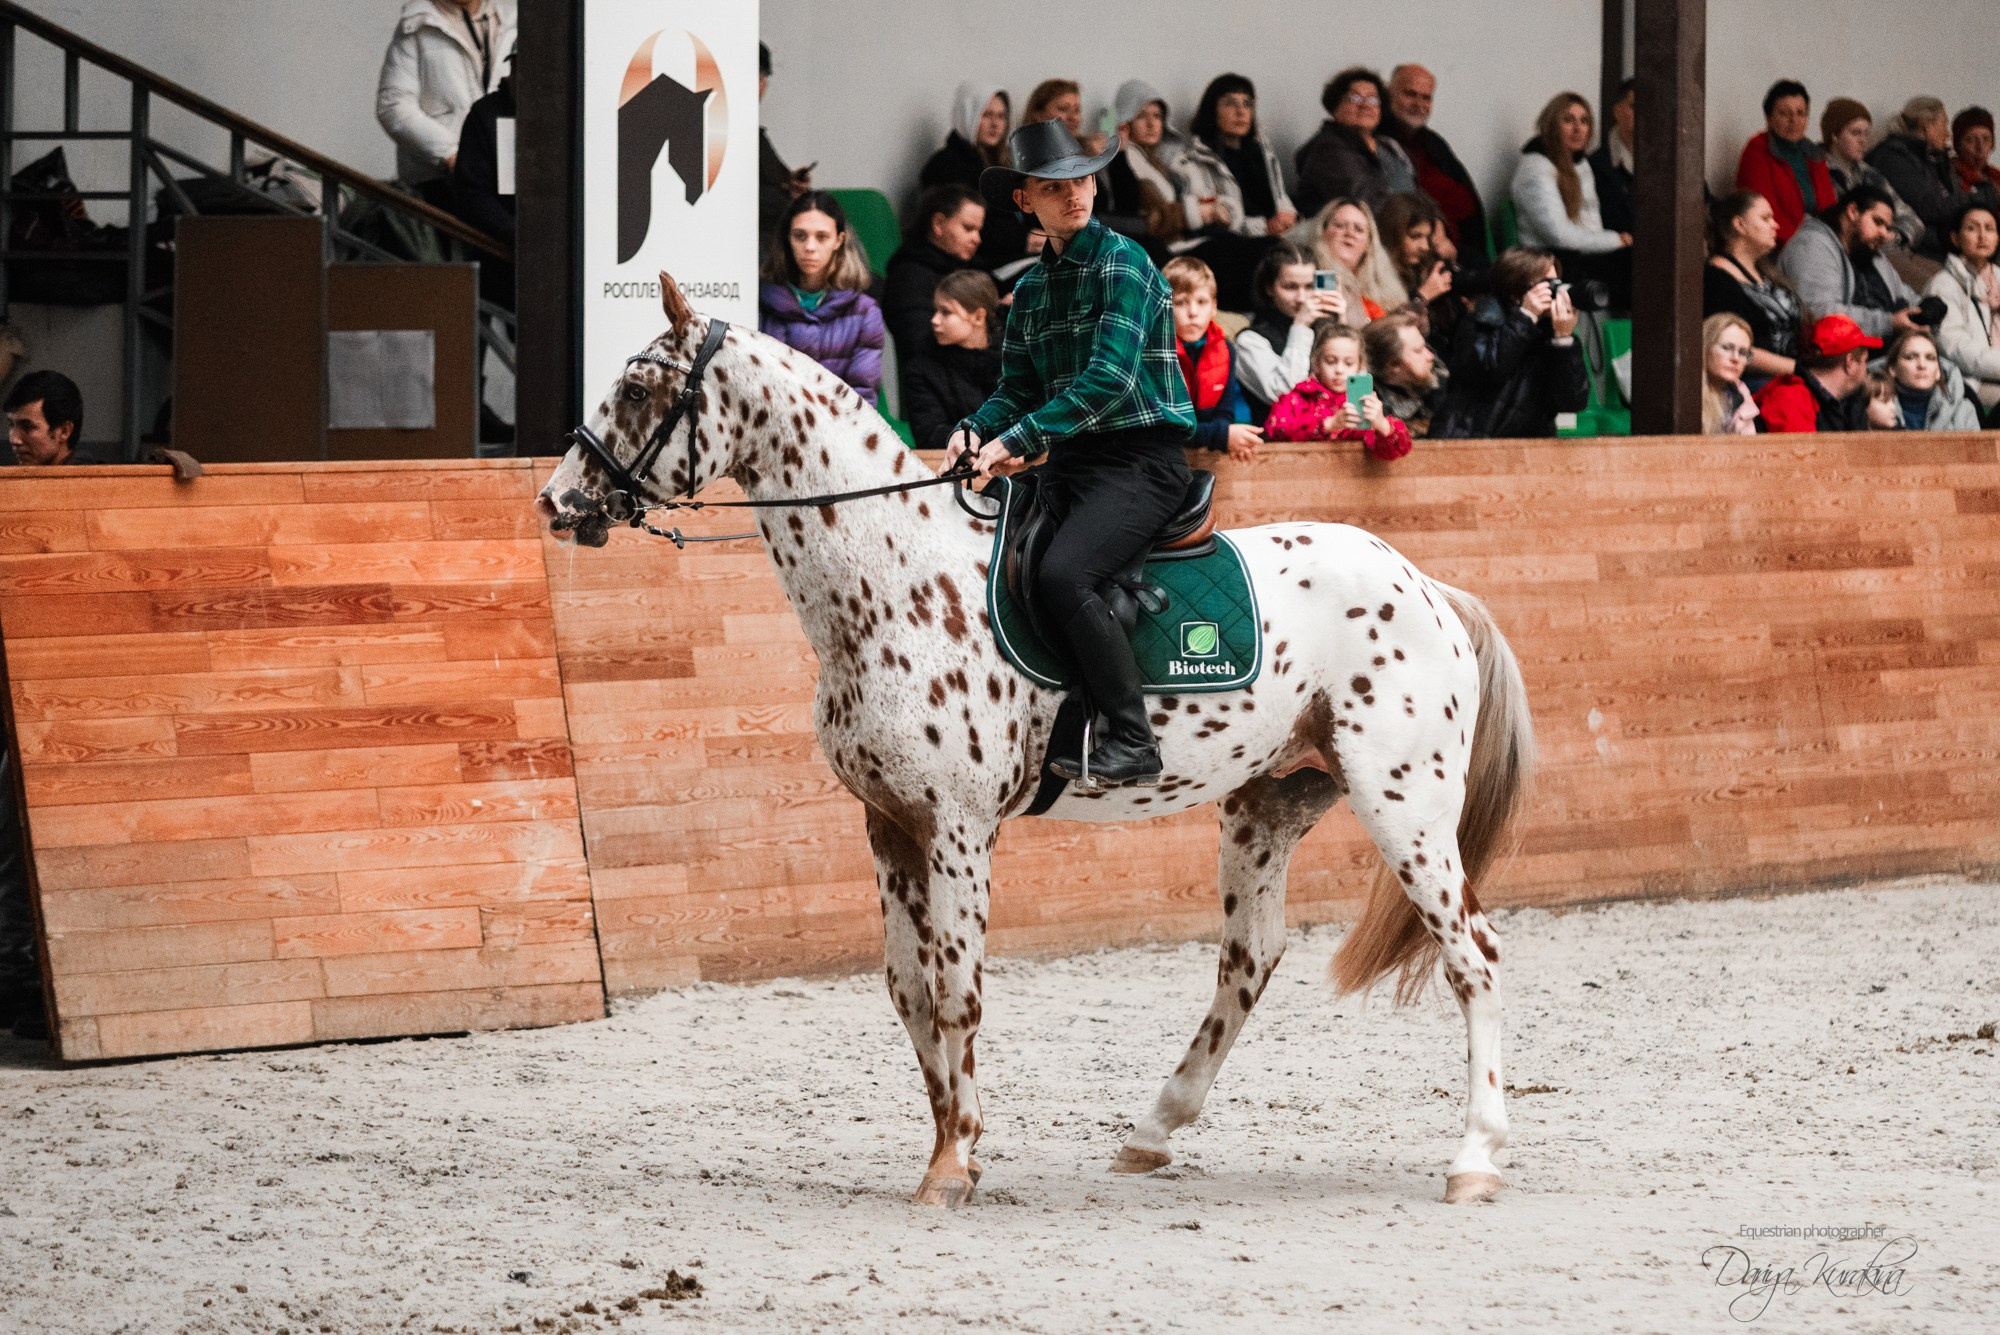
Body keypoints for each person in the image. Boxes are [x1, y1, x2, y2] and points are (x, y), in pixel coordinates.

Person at [949, 120, 1197, 789]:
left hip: (1142, 461)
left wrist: (1014, 443)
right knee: (1007, 565)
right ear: (1026, 200)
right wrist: (975, 428)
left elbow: (1109, 382)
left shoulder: (1125, 262)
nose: (1075, 195)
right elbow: (1019, 388)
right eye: (1055, 187)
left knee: (1063, 575)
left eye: (1082, 180)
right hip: (1075, 465)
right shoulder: (1030, 291)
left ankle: (1132, 736)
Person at [1104, 80, 1272, 307]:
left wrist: (1206, 207)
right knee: (1249, 254)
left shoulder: (1156, 162)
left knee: (1262, 247)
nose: (1152, 124)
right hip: (1161, 250)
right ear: (1125, 122)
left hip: (1183, 241)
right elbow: (1129, 210)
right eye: (1142, 116)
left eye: (1157, 116)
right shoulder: (1120, 159)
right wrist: (1117, 147)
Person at [1431, 247, 1588, 439]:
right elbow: (1490, 370)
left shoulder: (1551, 335)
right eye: (1547, 284)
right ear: (1518, 290)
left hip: (1529, 451)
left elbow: (1572, 402)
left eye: (1557, 283)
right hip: (1470, 440)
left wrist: (1564, 340)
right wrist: (1526, 316)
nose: (1554, 291)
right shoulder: (1480, 321)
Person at [376, 0, 515, 211]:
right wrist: (451, 156)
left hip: (506, 181)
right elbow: (393, 106)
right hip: (439, 184)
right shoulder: (417, 23)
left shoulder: (511, 22)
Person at [759, 192, 885, 406]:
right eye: (800, 236)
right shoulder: (759, 302)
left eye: (821, 237)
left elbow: (862, 397)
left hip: (839, 432)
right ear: (787, 239)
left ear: (839, 240)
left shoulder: (865, 311)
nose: (809, 247)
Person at [1510, 92, 1631, 311]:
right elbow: (1559, 235)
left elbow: (1592, 225)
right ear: (1551, 125)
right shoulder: (1536, 167)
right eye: (1568, 120)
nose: (1578, 128)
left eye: (1584, 121)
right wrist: (1615, 241)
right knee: (1634, 268)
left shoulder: (1581, 164)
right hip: (1548, 260)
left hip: (1579, 255)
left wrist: (1613, 242)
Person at [1777, 184, 1922, 339]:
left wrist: (1924, 309)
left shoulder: (1870, 252)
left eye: (1887, 227)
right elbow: (1819, 314)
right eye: (1878, 222)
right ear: (1853, 211)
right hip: (1831, 358)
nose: (1884, 233)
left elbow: (1904, 293)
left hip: (1884, 353)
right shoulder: (1811, 244)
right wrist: (1889, 323)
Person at [1382, 63, 1486, 264]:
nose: (1418, 103)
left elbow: (1468, 201)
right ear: (1388, 94)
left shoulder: (1433, 142)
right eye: (1410, 94)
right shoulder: (1379, 142)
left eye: (1426, 97)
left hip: (1457, 247)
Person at [1263, 321, 1413, 460]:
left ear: (1360, 367)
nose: (1339, 370)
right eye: (1331, 361)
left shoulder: (1364, 405)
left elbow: (1397, 452)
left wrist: (1382, 424)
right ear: (1316, 363)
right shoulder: (1295, 399)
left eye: (1348, 363)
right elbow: (1275, 433)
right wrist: (1329, 424)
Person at [1233, 241, 1344, 423]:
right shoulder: (1249, 340)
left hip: (1337, 441)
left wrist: (1342, 325)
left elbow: (1357, 392)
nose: (1301, 298)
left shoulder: (1327, 330)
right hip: (1277, 447)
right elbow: (1284, 394)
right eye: (1290, 287)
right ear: (1269, 288)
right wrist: (1300, 327)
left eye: (1309, 287)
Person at [1163, 256, 1261, 460]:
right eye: (1181, 302)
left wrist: (1232, 437)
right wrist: (1221, 435)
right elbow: (1163, 429)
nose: (1193, 312)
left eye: (1202, 302)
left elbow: (1224, 413)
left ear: (1214, 306)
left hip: (1205, 453)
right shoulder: (1155, 353)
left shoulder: (1225, 349)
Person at [1703, 191, 1805, 386]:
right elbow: (1731, 347)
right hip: (1753, 382)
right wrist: (1801, 371)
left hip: (1791, 374)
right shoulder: (1716, 278)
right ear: (1739, 225)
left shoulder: (1766, 271)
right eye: (1766, 218)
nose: (1775, 225)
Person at [883, 185, 985, 368]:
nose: (977, 239)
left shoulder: (974, 268)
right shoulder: (909, 275)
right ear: (938, 224)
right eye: (968, 228)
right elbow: (918, 339)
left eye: (978, 230)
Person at [1295, 67, 1416, 218]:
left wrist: (1436, 225)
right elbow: (1365, 203)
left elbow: (1416, 194)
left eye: (1373, 99)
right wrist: (1415, 222)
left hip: (1403, 229)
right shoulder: (1327, 149)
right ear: (1335, 107)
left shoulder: (1388, 147)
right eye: (1355, 98)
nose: (1365, 105)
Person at [1188, 74, 1298, 241]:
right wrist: (1264, 226)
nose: (1241, 112)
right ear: (1212, 110)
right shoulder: (1194, 160)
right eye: (1230, 103)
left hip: (1275, 238)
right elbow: (1213, 221)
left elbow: (1281, 199)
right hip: (1234, 245)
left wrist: (1288, 217)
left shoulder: (1263, 154)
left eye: (1247, 104)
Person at [904, 270, 1003, 452]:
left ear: (978, 317)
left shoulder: (1013, 359)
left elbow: (1033, 421)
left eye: (946, 312)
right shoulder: (922, 367)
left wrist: (1015, 446)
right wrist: (1002, 443)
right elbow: (930, 434)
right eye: (936, 310)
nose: (934, 320)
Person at [1735, 79, 1836, 245]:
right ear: (1769, 118)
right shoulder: (1758, 152)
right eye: (1784, 114)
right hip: (1777, 246)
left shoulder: (1813, 153)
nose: (1794, 120)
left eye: (1800, 113)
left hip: (1816, 242)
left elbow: (1829, 207)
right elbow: (1764, 214)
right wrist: (1804, 244)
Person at [1924, 201, 2000, 419]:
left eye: (1990, 228)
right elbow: (1957, 350)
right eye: (1972, 228)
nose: (1982, 236)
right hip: (1971, 383)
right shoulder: (1942, 285)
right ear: (1955, 237)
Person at [1820, 98, 1925, 250]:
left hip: (1881, 250)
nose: (1863, 141)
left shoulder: (1869, 174)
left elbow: (1913, 220)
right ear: (1834, 135)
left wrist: (1894, 236)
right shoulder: (1818, 171)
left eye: (1866, 133)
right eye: (1855, 133)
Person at [1867, 98, 1964, 260]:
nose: (1948, 134)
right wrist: (1968, 200)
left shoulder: (1933, 159)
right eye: (1944, 124)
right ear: (1927, 126)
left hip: (1938, 247)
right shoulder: (1893, 157)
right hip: (1910, 250)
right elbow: (1927, 207)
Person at [1752, 313, 1876, 433]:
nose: (1866, 370)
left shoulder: (1851, 405)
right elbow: (1803, 452)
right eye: (1865, 361)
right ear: (1850, 363)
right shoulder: (1791, 398)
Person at [1374, 192, 1461, 350]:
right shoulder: (1375, 274)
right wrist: (1422, 297)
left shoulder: (1426, 265)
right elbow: (1383, 333)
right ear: (1393, 235)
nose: (1425, 247)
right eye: (1415, 236)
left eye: (1427, 238)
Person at [1308, 198, 1410, 325]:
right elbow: (1330, 329)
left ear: (1369, 243)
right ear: (1323, 232)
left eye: (1359, 229)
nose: (1350, 233)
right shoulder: (1322, 277)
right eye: (1339, 226)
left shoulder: (1385, 287)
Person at [758, 44, 814, 257]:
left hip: (782, 241)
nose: (761, 86)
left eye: (764, 78)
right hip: (759, 246)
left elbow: (782, 184)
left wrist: (793, 189)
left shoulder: (758, 138)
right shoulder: (713, 135)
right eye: (756, 76)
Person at [1363, 311, 1447, 438]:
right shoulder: (1371, 404)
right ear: (1393, 364)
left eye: (1426, 347)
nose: (1430, 356)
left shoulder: (1440, 387)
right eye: (1418, 351)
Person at [1882, 328, 1981, 431]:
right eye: (1911, 357)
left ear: (1938, 371)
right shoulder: (1873, 408)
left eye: (1930, 358)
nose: (1922, 365)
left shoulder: (1964, 410)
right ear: (1893, 369)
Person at [5, 370, 93, 465]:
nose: (14, 439)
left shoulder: (92, 479)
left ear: (64, 431)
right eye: (11, 424)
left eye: (28, 427)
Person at [1589, 78, 1636, 236]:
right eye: (1635, 106)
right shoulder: (1598, 165)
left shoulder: (1670, 162)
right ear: (1617, 111)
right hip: (1617, 252)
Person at [1700, 313, 1760, 434]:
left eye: (1743, 352)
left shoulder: (1740, 394)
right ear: (1705, 347)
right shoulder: (1687, 392)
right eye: (1727, 348)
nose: (1735, 358)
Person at [1953, 108, 2000, 203]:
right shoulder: (1951, 178)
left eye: (1986, 139)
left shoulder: (1996, 178)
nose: (1980, 147)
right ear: (1958, 145)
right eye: (1971, 140)